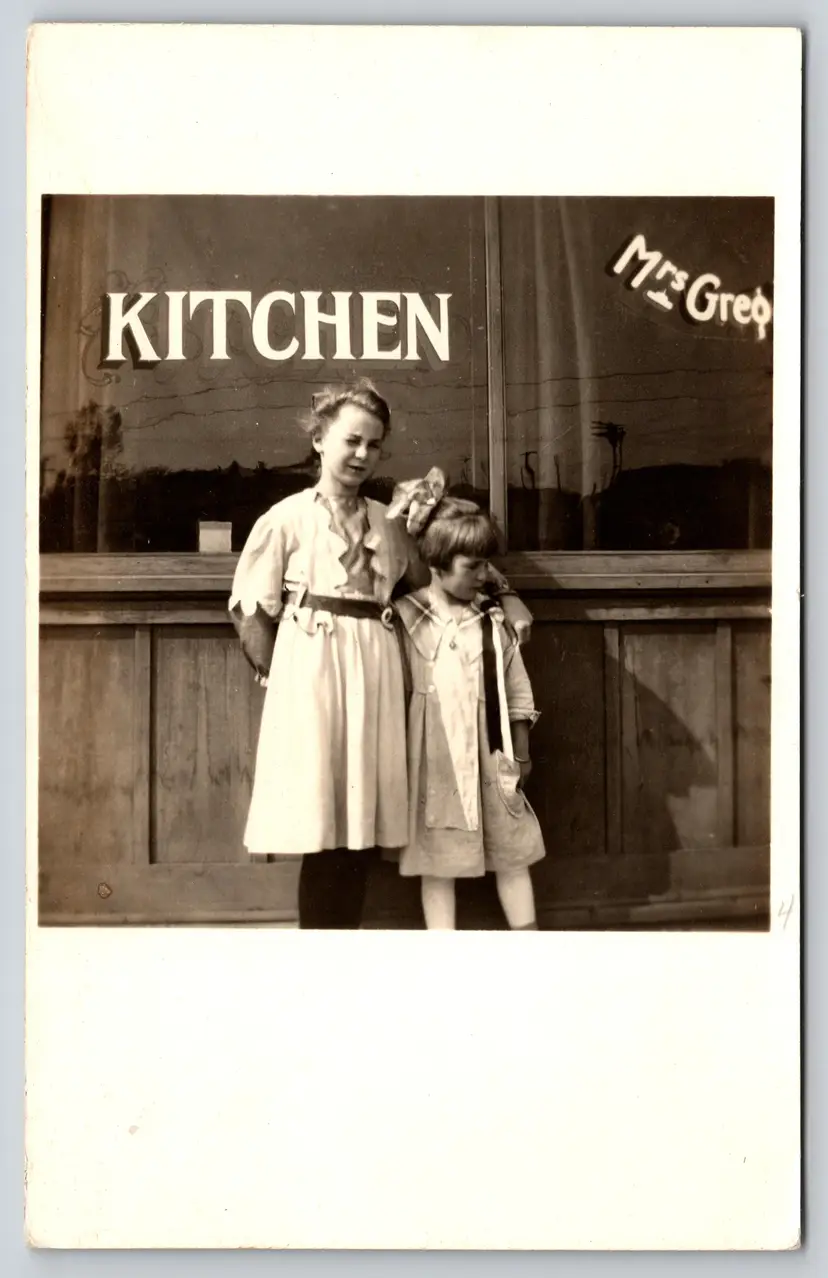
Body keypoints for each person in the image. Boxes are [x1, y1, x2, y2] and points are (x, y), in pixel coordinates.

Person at [229, 380, 532, 930]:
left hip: (377, 671)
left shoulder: (388, 523)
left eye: (375, 445)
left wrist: (506, 595)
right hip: (313, 675)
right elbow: (250, 609)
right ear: (319, 440)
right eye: (351, 441)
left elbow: (446, 570)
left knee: (363, 819)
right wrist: (281, 680)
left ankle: (348, 949)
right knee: (321, 819)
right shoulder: (286, 519)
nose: (363, 454)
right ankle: (321, 949)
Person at [396, 496, 546, 930]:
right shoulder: (407, 618)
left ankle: (529, 939)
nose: (484, 576)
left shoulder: (491, 621)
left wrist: (521, 753)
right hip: (434, 760)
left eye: (486, 565)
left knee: (511, 852)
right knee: (438, 862)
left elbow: (517, 691)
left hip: (490, 755)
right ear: (438, 565)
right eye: (472, 567)